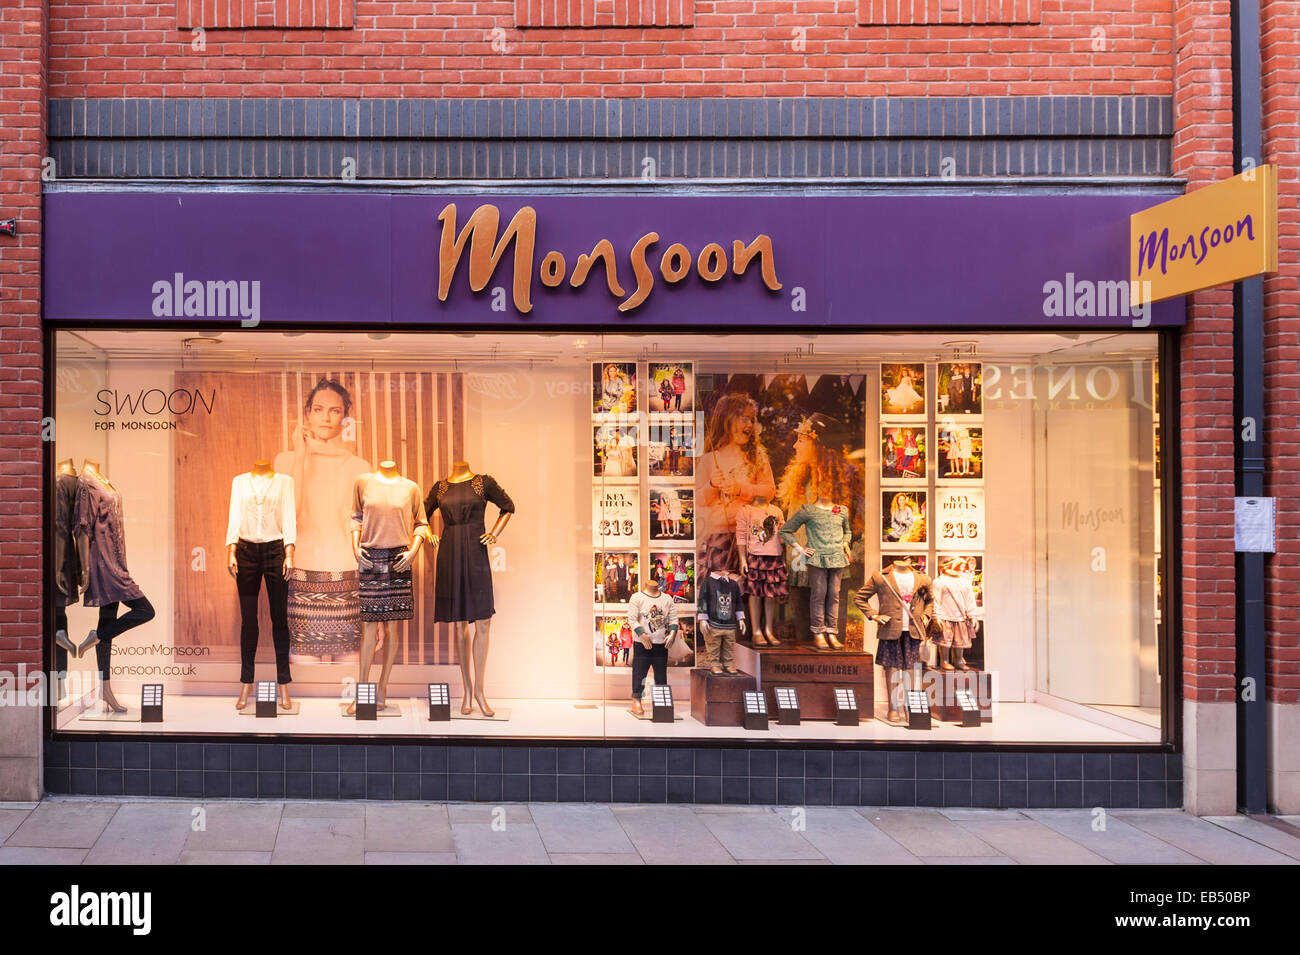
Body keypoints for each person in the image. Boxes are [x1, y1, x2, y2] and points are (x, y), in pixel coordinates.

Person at [274, 378, 371, 662]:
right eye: (318, 409)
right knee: (304, 671)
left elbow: (367, 534)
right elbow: (291, 514)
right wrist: (302, 454)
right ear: (307, 414)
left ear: (345, 417)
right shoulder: (285, 461)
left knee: (350, 671)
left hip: (347, 577)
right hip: (301, 575)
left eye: (334, 410)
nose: (326, 417)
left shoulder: (360, 468)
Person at [698, 393, 776, 576]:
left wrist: (740, 489)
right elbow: (698, 500)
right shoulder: (710, 459)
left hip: (751, 534)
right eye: (744, 419)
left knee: (748, 595)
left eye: (752, 420)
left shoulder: (756, 457)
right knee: (721, 596)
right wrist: (711, 485)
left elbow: (770, 491)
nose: (750, 424)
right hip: (718, 537)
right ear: (728, 421)